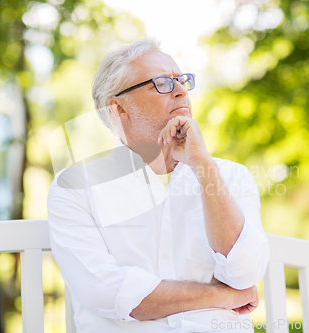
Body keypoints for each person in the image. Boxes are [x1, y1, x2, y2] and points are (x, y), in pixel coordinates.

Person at [47, 38, 270, 333]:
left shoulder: (230, 176)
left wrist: (203, 166)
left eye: (181, 81)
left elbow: (245, 274)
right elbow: (105, 291)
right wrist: (223, 296)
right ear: (119, 109)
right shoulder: (74, 187)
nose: (180, 91)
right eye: (162, 83)